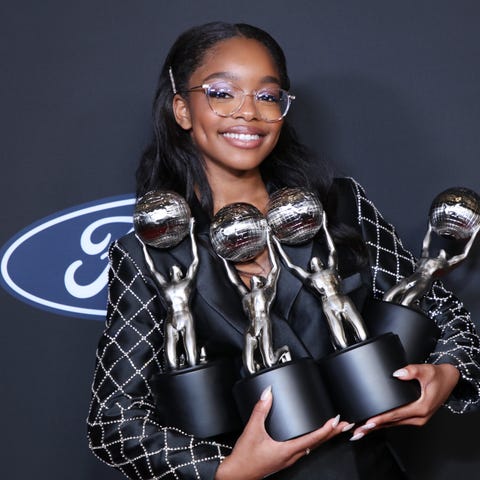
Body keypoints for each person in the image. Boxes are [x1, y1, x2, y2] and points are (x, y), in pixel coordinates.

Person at [87, 22, 480, 480]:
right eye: (222, 93)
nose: (248, 112)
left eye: (268, 96)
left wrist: (447, 374)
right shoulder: (149, 254)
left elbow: (444, 313)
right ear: (182, 109)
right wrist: (226, 471)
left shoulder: (340, 206)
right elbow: (112, 421)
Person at [273, 211, 368, 349]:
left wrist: (324, 226)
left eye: (317, 261)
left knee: (363, 335)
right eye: (313, 263)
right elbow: (291, 266)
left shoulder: (331, 269)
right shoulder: (310, 278)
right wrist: (276, 244)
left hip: (342, 298)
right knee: (341, 342)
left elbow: (332, 250)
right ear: (311, 267)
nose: (315, 261)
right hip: (328, 303)